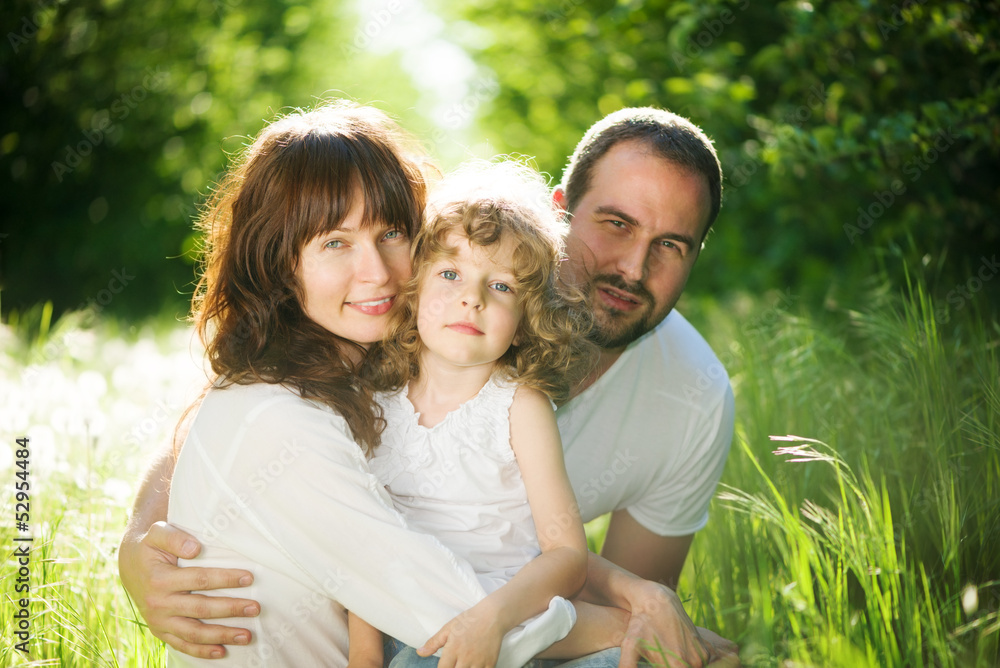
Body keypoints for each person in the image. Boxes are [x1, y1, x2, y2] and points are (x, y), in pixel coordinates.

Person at [119, 106, 739, 667]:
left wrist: (642, 603)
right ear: (556, 215)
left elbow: (595, 593)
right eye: (615, 223)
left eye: (671, 245)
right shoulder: (405, 320)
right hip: (440, 623)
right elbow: (243, 408)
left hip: (494, 615)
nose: (633, 266)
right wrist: (138, 544)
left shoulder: (691, 396)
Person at [159, 102, 588, 667]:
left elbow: (537, 540)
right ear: (277, 264)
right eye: (335, 242)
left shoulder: (356, 380)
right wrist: (633, 626)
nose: (380, 272)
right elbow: (449, 617)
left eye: (391, 233)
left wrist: (633, 589)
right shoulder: (283, 421)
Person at [350, 160, 620, 667]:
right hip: (412, 621)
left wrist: (492, 620)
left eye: (501, 287)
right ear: (413, 292)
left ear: (524, 322)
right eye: (450, 274)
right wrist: (364, 656)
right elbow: (363, 542)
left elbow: (566, 555)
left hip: (509, 614)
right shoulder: (373, 400)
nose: (470, 299)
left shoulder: (519, 405)